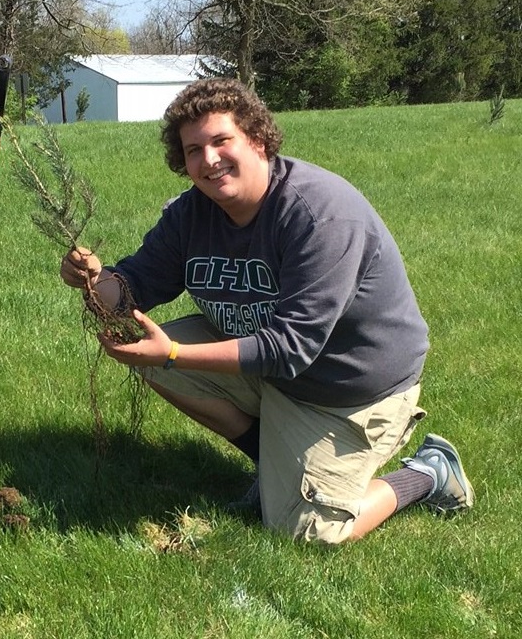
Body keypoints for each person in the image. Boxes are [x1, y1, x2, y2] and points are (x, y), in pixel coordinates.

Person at [60, 78, 474, 544]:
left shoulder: (320, 215)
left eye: (221, 140)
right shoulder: (191, 214)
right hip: (273, 367)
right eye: (193, 149)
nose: (209, 160)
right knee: (153, 357)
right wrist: (95, 281)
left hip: (350, 390)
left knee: (308, 531)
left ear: (257, 139)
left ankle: (429, 473)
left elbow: (289, 349)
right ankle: (274, 464)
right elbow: (134, 286)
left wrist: (172, 352)